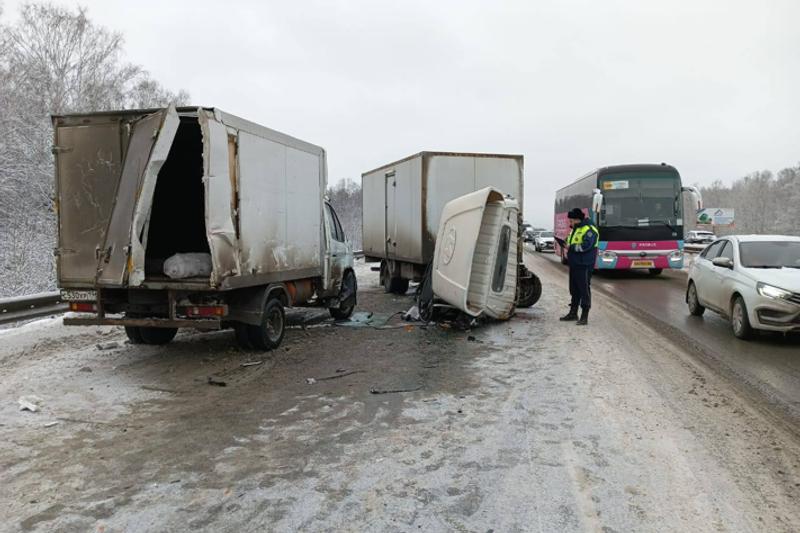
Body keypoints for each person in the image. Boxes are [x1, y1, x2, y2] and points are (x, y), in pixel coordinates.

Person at [558, 208, 599, 325]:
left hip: (584, 265)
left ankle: (584, 316)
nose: (569, 223)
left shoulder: (590, 229)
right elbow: (571, 241)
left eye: (571, 221)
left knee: (584, 290)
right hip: (575, 264)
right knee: (574, 289)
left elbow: (586, 246)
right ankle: (573, 313)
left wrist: (570, 247)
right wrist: (565, 242)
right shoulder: (576, 229)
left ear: (577, 220)